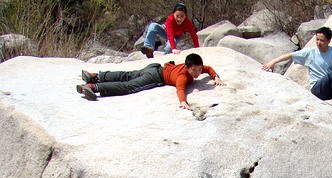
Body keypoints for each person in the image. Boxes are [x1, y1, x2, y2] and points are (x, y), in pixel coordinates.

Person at [262, 26, 332, 114]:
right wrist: (272, 62)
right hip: (318, 89)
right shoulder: (311, 52)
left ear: (329, 40)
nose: (318, 43)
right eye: (317, 39)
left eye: (322, 40)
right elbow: (290, 56)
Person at [76, 53, 224, 110]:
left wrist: (215, 76)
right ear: (187, 67)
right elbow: (180, 89)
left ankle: (96, 76)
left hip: (154, 67)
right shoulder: (183, 77)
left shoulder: (194, 68)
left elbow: (208, 68)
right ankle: (93, 87)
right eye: (195, 70)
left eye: (199, 70)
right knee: (129, 86)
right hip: (155, 77)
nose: (198, 73)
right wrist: (183, 102)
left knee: (128, 75)